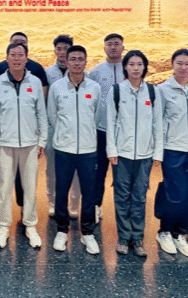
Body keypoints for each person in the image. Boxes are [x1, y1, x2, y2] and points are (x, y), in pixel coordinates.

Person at [0, 42, 48, 249]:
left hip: (30, 143)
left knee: (30, 186)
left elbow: (41, 113)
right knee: (4, 186)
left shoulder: (34, 82)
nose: (16, 58)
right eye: (13, 55)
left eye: (20, 55)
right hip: (5, 144)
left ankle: (30, 224)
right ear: (7, 58)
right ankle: (3, 226)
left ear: (26, 58)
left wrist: (42, 140)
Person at [106, 50, 163, 257]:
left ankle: (137, 237)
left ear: (144, 67)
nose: (136, 68)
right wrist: (112, 150)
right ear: (125, 67)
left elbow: (157, 123)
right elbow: (111, 122)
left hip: (145, 154)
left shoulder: (153, 92)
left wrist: (157, 153)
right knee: (122, 196)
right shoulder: (117, 91)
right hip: (121, 154)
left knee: (139, 196)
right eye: (131, 64)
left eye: (139, 64)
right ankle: (123, 236)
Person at [47, 45, 101, 254]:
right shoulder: (57, 87)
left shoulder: (94, 87)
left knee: (89, 192)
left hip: (88, 149)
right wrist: (64, 134)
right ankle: (62, 230)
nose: (77, 63)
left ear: (85, 62)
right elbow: (53, 116)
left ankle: (87, 232)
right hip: (64, 148)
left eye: (80, 59)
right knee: (62, 190)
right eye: (73, 59)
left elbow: (96, 116)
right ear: (66, 61)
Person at [154, 49, 188, 258]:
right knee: (174, 193)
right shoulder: (162, 90)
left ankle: (180, 233)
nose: (183, 67)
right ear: (172, 64)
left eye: (187, 63)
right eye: (179, 63)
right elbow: (158, 121)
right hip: (172, 148)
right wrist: (158, 152)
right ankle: (164, 231)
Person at [88, 33, 125, 223]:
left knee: (123, 176)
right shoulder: (96, 72)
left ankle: (124, 212)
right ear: (104, 48)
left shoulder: (130, 69)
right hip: (101, 130)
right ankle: (96, 206)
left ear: (122, 48)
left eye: (116, 44)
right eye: (109, 44)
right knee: (98, 172)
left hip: (124, 132)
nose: (113, 47)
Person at [44, 34, 80, 219]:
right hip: (52, 127)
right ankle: (52, 201)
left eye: (66, 48)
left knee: (75, 169)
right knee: (51, 168)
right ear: (54, 51)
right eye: (58, 48)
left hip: (75, 128)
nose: (62, 52)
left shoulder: (83, 73)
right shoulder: (47, 73)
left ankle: (73, 204)